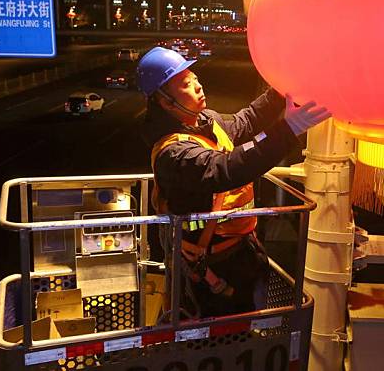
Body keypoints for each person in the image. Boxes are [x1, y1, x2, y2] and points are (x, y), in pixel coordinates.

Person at [138, 47, 330, 318]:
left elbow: (246, 121)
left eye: (194, 78)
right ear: (166, 102)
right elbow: (227, 169)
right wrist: (288, 131)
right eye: (185, 84)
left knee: (246, 320)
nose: (198, 85)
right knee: (222, 333)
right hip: (213, 268)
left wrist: (279, 89)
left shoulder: (204, 122)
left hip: (239, 252)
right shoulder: (174, 153)